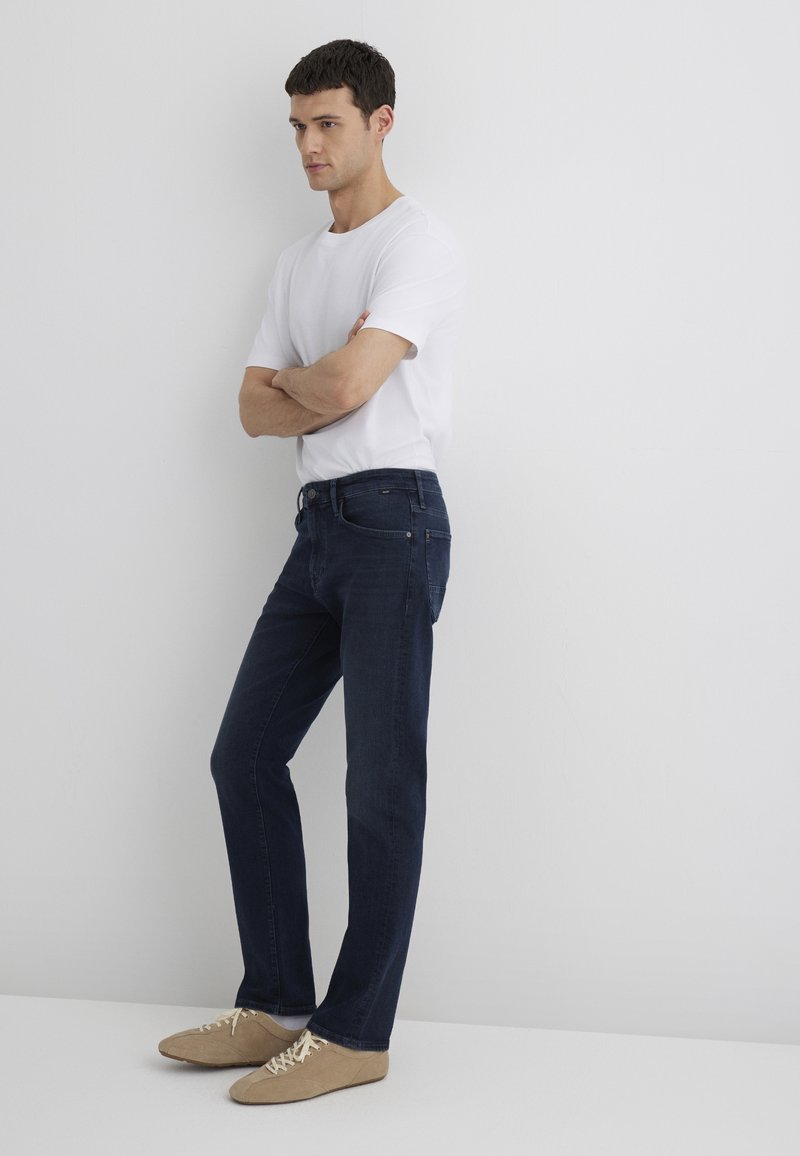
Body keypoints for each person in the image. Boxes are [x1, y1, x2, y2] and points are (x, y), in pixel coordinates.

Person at [157, 38, 467, 1104]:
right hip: (318, 529)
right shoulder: (297, 264)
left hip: (393, 521)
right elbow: (252, 409)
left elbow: (337, 391)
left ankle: (355, 1032)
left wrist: (311, 380)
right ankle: (278, 1003)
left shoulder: (417, 243)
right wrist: (317, 378)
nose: (307, 145)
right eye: (297, 126)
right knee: (242, 755)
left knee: (380, 784)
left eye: (327, 123)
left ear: (381, 122)